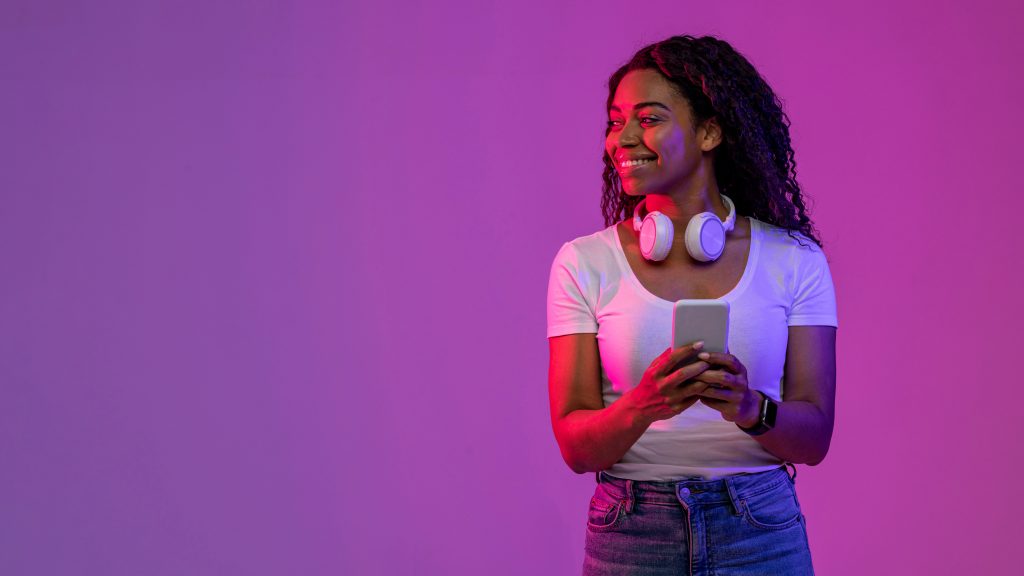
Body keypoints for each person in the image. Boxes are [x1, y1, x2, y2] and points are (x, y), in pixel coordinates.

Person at [546, 35, 837, 576]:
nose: (623, 138)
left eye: (648, 119)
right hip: (632, 533)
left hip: (759, 529)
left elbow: (815, 436)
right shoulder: (583, 263)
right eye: (615, 121)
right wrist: (644, 405)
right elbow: (576, 448)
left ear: (709, 132)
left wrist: (751, 408)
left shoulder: (794, 260)